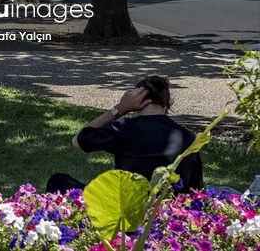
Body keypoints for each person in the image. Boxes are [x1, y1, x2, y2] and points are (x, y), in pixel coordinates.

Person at [46, 76, 202, 195]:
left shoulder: (124, 127)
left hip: (125, 209)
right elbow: (195, 189)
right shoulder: (189, 137)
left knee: (58, 181)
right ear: (167, 106)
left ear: (135, 103)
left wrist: (119, 109)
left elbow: (78, 141)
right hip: (168, 213)